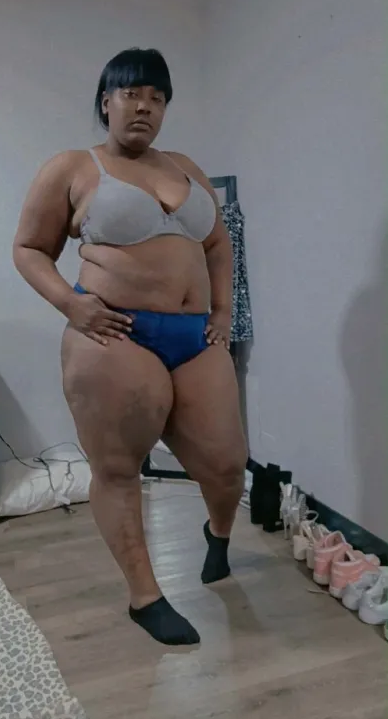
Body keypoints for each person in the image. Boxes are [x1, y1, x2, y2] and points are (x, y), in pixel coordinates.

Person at [13, 48, 247, 646]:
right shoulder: (73, 167)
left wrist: (223, 311)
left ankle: (218, 533)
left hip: (194, 338)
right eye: (131, 94)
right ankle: (145, 596)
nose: (144, 106)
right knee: (118, 468)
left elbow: (218, 244)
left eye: (157, 97)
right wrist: (70, 304)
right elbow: (29, 249)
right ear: (106, 102)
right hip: (114, 333)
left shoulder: (185, 167)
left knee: (227, 465)